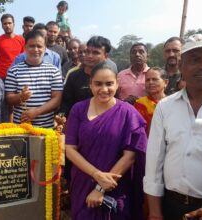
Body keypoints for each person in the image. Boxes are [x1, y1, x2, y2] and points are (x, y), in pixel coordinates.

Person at [144, 34, 202, 220]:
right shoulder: (165, 107)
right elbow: (154, 164)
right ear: (181, 65)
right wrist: (154, 212)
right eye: (195, 59)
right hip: (171, 206)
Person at [65, 63, 147, 220]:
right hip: (83, 181)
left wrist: (100, 188)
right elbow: (70, 149)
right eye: (98, 84)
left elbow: (129, 156)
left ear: (117, 83)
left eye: (109, 84)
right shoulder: (78, 109)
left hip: (114, 184)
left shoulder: (128, 112)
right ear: (90, 84)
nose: (104, 89)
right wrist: (96, 175)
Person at [5, 30, 63, 128]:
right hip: (21, 129)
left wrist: (37, 112)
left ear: (45, 49)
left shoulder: (54, 71)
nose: (35, 49)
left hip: (46, 129)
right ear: (25, 48)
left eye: (39, 46)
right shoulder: (14, 71)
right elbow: (8, 99)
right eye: (31, 46)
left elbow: (57, 99)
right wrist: (20, 97)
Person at [60, 36, 117, 117]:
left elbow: (115, 104)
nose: (89, 56)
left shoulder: (111, 77)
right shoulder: (73, 76)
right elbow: (66, 104)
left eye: (95, 53)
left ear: (106, 56)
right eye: (87, 52)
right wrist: (61, 119)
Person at [134, 67, 168, 135]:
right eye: (147, 80)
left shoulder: (173, 103)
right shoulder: (140, 103)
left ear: (165, 82)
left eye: (154, 79)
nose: (150, 82)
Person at [0, 13, 25, 80]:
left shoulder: (21, 40)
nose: (7, 25)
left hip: (17, 76)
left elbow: (24, 59)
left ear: (14, 24)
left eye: (9, 23)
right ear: (2, 26)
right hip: (0, 78)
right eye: (5, 23)